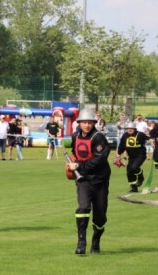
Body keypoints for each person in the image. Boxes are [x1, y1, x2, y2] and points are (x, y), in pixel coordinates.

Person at [66, 108, 111, 254]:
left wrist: (78, 165)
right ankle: (81, 242)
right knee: (83, 208)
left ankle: (96, 241)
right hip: (83, 179)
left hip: (99, 180)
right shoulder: (75, 136)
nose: (87, 125)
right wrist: (72, 165)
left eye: (90, 122)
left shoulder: (99, 138)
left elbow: (98, 160)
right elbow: (75, 152)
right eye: (84, 122)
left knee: (100, 216)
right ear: (79, 123)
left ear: (94, 123)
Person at [116, 123, 148, 192]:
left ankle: (140, 177)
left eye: (131, 128)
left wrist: (152, 140)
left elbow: (148, 138)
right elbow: (122, 145)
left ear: (134, 129)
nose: (129, 130)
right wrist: (118, 154)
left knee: (134, 167)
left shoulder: (140, 134)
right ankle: (134, 188)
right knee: (129, 171)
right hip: (131, 157)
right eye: (128, 128)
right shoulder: (125, 135)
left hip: (140, 155)